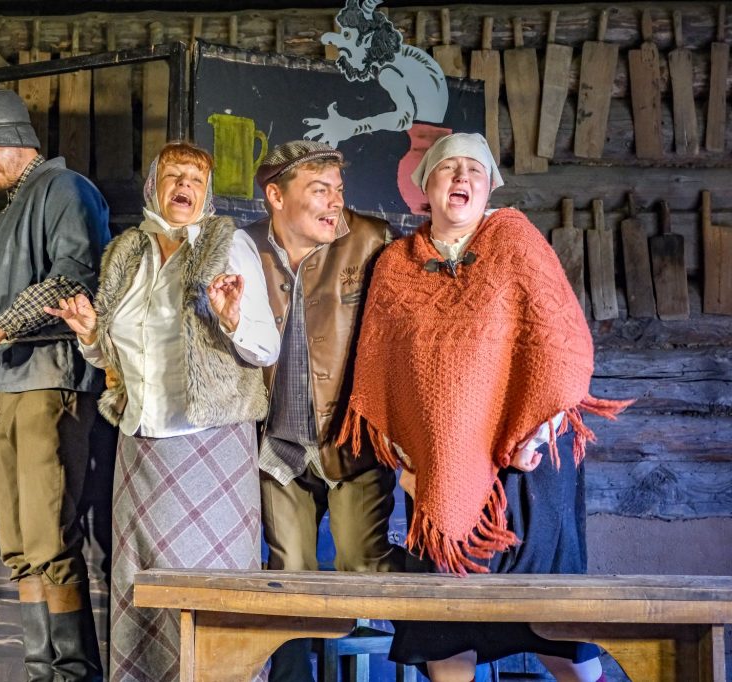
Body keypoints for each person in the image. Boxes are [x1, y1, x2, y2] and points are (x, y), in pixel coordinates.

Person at [338, 132, 632, 682]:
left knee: (553, 620)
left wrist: (533, 433)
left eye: (474, 170)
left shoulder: (516, 241)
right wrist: (408, 460)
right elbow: (382, 369)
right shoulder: (396, 265)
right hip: (439, 468)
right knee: (446, 624)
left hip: (528, 467)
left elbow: (562, 345)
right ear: (425, 187)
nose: (461, 178)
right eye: (448, 169)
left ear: (490, 186)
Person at [47, 141, 280, 682]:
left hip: (211, 444)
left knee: (212, 587)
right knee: (144, 584)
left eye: (196, 179)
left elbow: (265, 349)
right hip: (140, 447)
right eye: (174, 175)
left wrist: (231, 318)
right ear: (154, 186)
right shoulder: (126, 252)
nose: (185, 186)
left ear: (207, 194)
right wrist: (89, 335)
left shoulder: (229, 245)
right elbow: (116, 360)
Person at [0, 88, 110, 682]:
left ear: (19, 140)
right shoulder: (16, 204)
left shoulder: (64, 189)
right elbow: (26, 291)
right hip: (11, 385)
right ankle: (41, 670)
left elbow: (73, 280)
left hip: (49, 382)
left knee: (47, 539)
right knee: (21, 546)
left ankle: (73, 672)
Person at [242, 140, 397, 681]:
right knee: (289, 577)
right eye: (319, 190)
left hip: (352, 444)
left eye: (338, 189)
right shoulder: (244, 249)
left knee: (365, 567)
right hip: (280, 445)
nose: (335, 202)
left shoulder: (373, 241)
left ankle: (450, 628)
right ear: (276, 196)